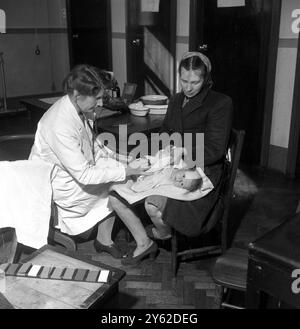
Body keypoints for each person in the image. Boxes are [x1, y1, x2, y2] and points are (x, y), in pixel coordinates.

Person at [109, 51, 233, 263]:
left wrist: (184, 153)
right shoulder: (176, 100)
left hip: (203, 168)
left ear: (206, 79)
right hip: (173, 161)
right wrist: (152, 155)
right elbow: (166, 132)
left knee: (152, 204)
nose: (188, 87)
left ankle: (162, 235)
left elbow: (215, 149)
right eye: (184, 80)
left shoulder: (220, 103)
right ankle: (150, 238)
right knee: (123, 186)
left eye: (195, 82)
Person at [29, 64, 150, 259]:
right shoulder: (58, 124)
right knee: (118, 182)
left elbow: (94, 147)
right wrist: (126, 170)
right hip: (60, 183)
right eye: (98, 98)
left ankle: (104, 239)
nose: (101, 103)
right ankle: (122, 240)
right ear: (78, 95)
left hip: (75, 171)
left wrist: (123, 159)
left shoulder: (79, 109)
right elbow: (84, 174)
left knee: (117, 172)